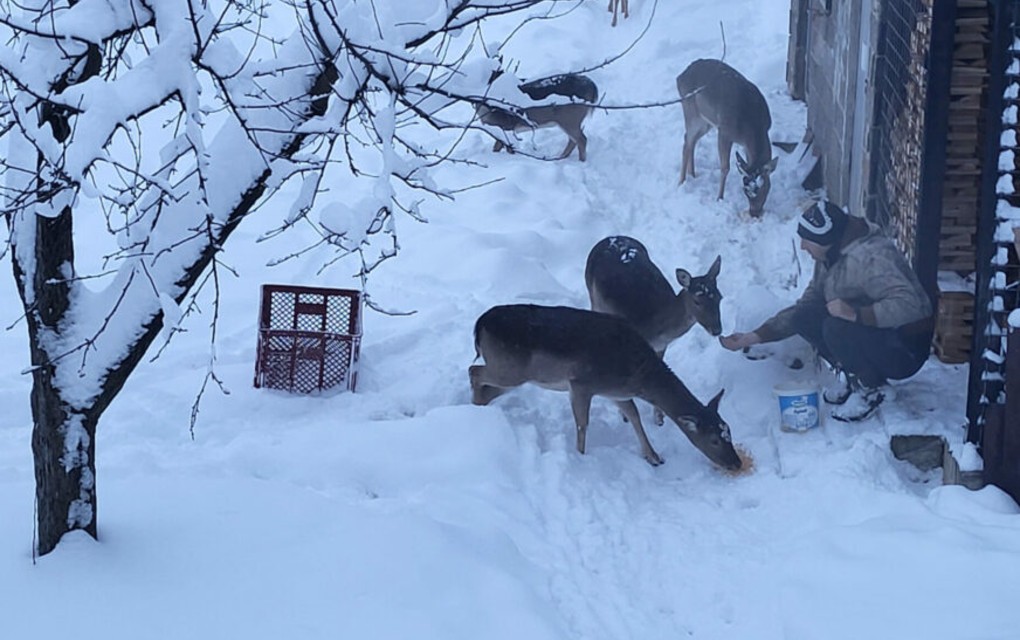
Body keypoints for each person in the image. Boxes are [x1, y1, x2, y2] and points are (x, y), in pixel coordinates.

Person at [720, 199, 934, 422]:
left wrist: (857, 314)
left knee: (836, 326)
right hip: (879, 337)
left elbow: (914, 306)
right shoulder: (829, 257)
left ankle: (871, 389)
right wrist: (755, 336)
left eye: (807, 240)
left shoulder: (871, 257)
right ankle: (857, 378)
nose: (802, 246)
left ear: (825, 240)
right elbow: (807, 306)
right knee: (805, 317)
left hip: (906, 349)